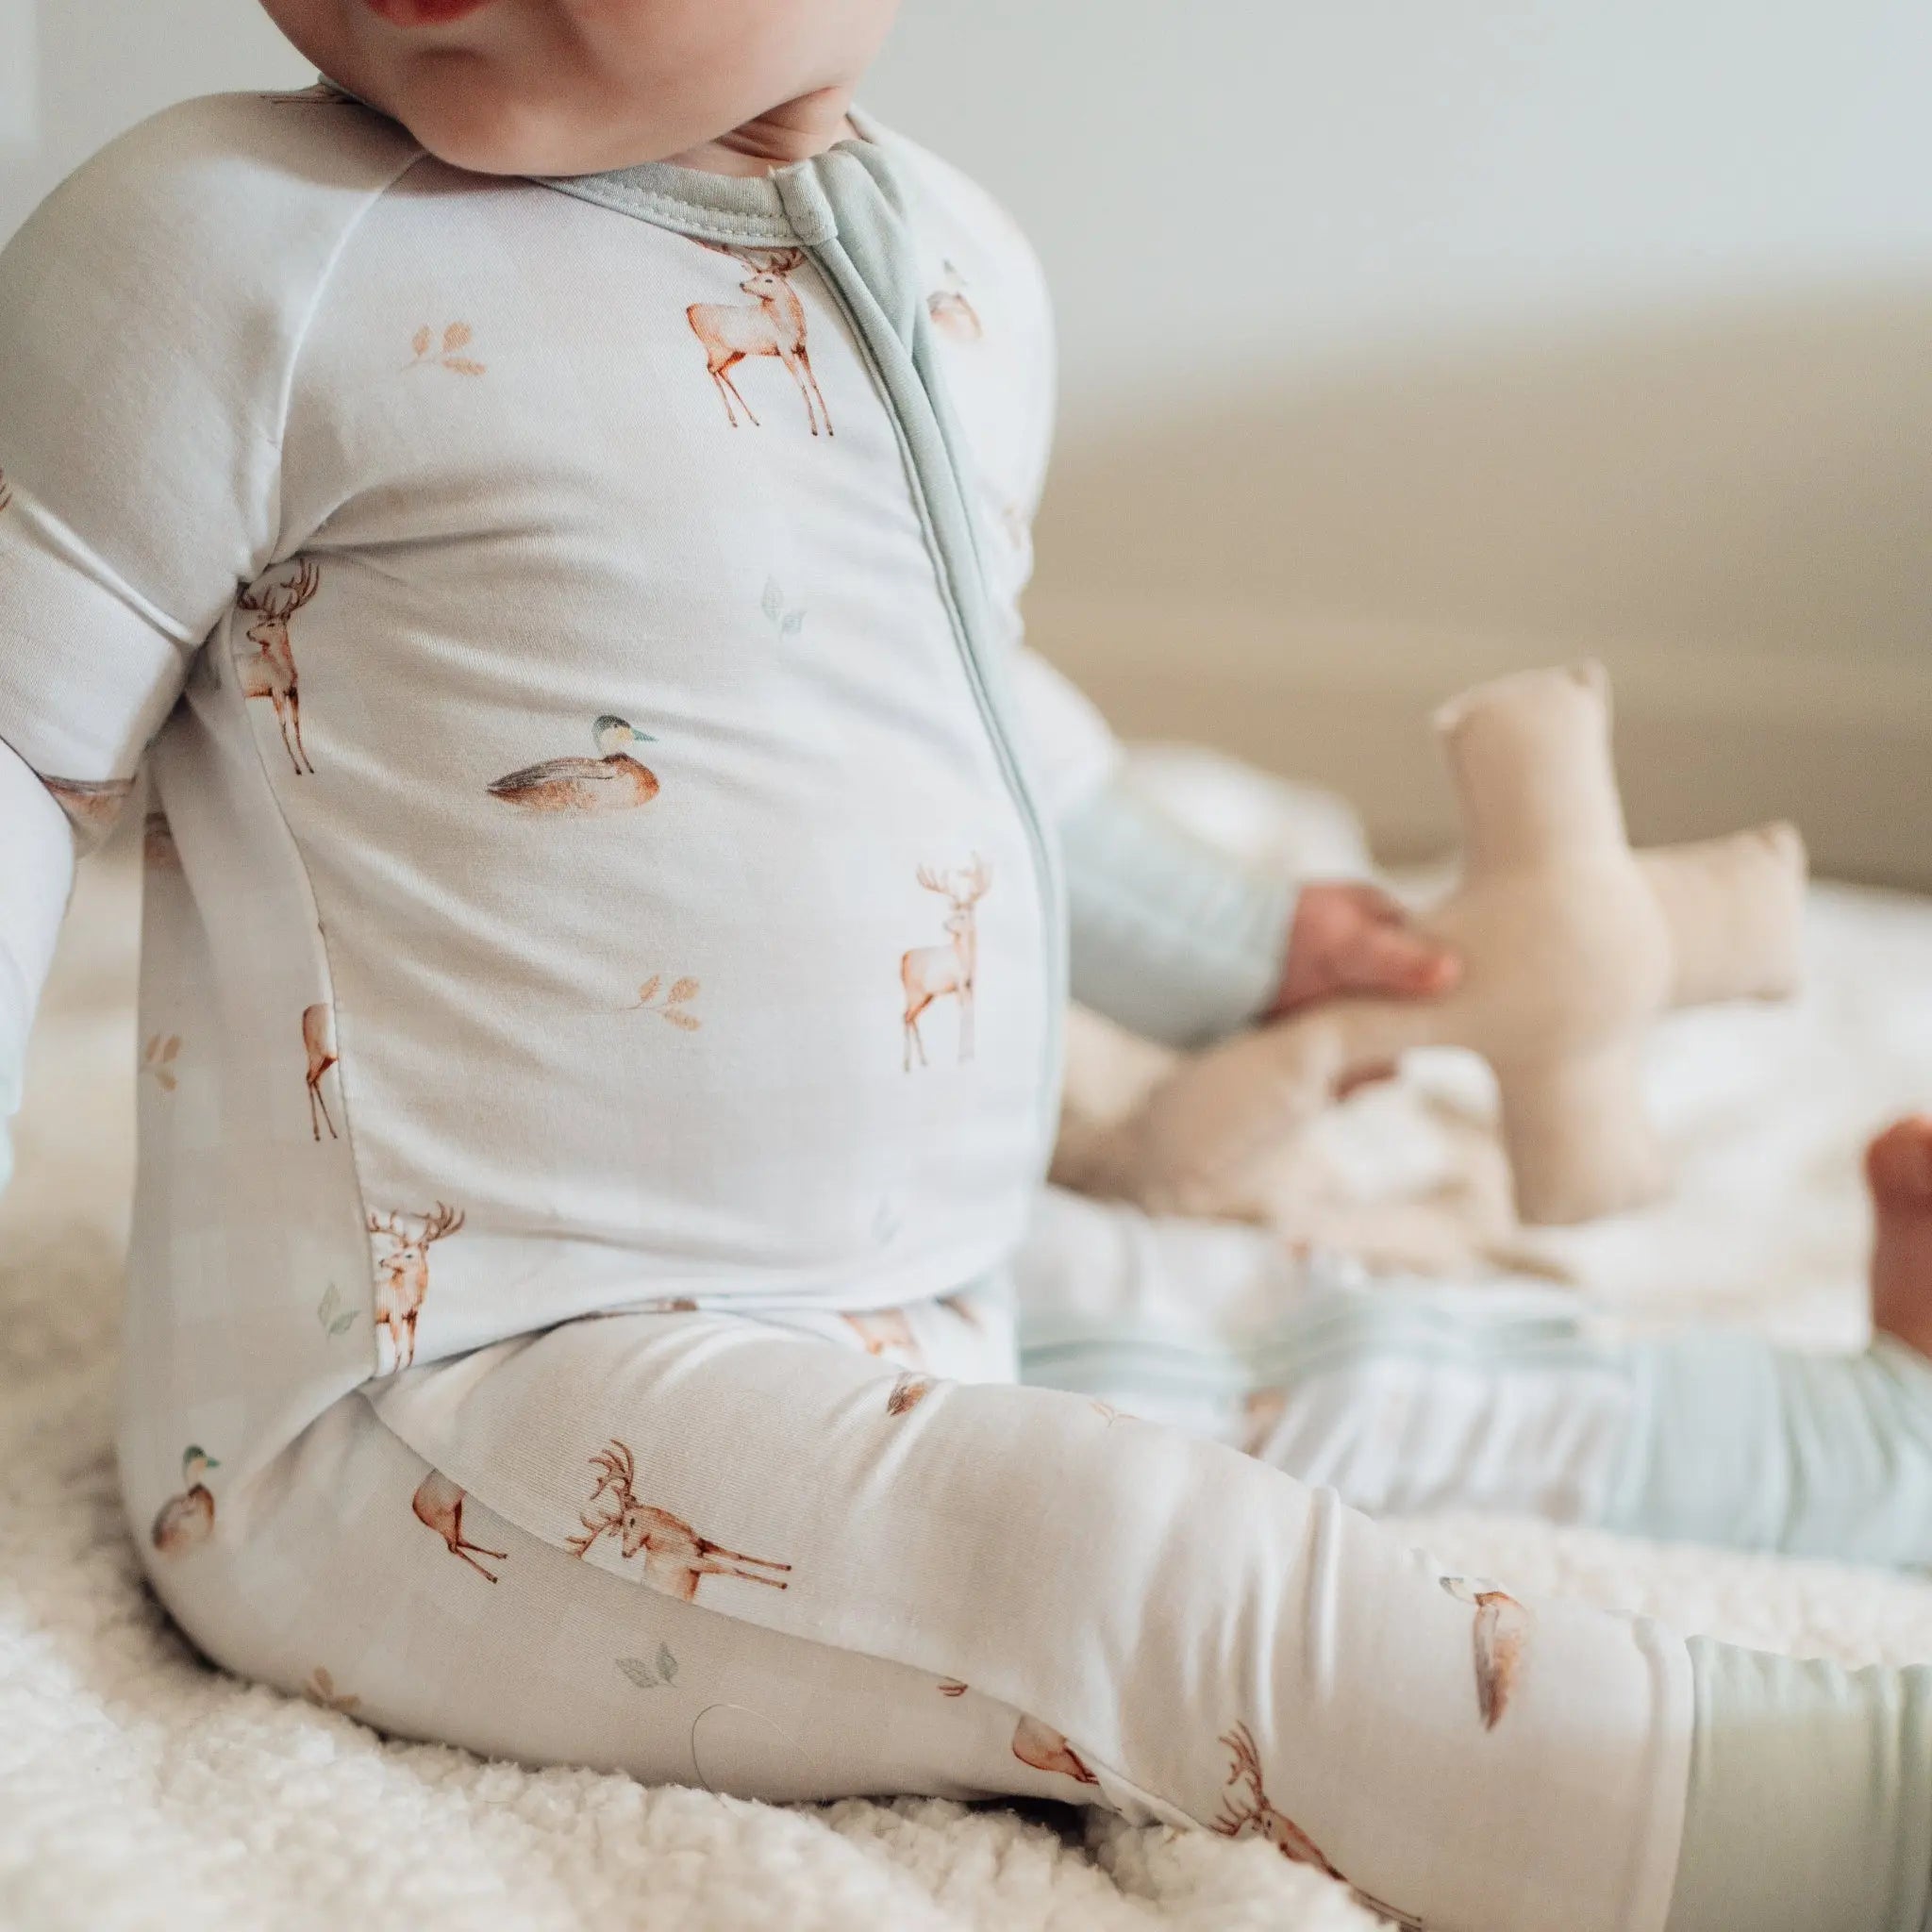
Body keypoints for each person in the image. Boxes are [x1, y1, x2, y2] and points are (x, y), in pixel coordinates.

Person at [3, 5, 1930, 1926]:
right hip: (441, 1410)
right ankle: (1802, 1818)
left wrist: (1245, 939)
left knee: (1305, 1335)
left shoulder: (965, 266)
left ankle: (1859, 1451)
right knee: (1133, 1566)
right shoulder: (222, 244)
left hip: (914, 1282)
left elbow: (966, 719)